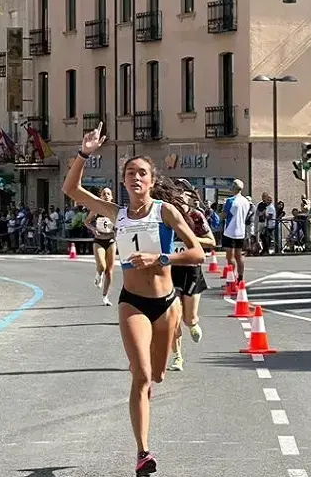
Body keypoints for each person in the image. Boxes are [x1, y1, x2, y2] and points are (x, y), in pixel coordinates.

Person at [62, 123, 204, 476]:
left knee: (156, 374)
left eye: (141, 173)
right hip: (133, 302)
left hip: (167, 303)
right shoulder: (116, 214)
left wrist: (162, 259)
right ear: (124, 182)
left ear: (151, 181)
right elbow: (71, 189)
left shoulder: (166, 213)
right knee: (140, 376)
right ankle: (143, 453)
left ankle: (162, 357)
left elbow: (198, 252)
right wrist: (84, 153)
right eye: (130, 174)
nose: (135, 178)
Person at [168, 181, 216, 371]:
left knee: (189, 318)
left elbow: (211, 241)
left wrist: (190, 240)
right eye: (175, 194)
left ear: (189, 196)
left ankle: (193, 323)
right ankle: (177, 357)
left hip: (191, 270)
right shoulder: (166, 215)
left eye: (182, 194)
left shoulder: (196, 216)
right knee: (173, 317)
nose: (179, 197)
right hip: (171, 270)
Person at [85, 187, 117, 305]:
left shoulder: (115, 210)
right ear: (101, 196)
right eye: (104, 194)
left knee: (109, 271)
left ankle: (105, 296)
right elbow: (86, 221)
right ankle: (98, 274)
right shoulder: (96, 209)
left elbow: (122, 223)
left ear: (112, 196)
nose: (106, 195)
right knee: (102, 266)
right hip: (99, 240)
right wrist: (93, 229)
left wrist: (117, 231)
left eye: (108, 193)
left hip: (111, 240)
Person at [221, 180, 252, 281]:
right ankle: (240, 277)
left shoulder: (230, 201)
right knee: (239, 256)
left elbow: (224, 215)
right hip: (241, 231)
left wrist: (219, 214)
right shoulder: (246, 201)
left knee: (230, 256)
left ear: (233, 187)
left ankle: (232, 278)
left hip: (230, 230)